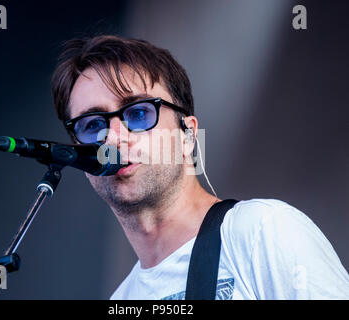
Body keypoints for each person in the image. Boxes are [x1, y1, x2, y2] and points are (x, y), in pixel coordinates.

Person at [51, 35, 349, 300]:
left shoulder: (263, 230)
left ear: (188, 135)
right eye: (92, 125)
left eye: (139, 113)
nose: (113, 138)